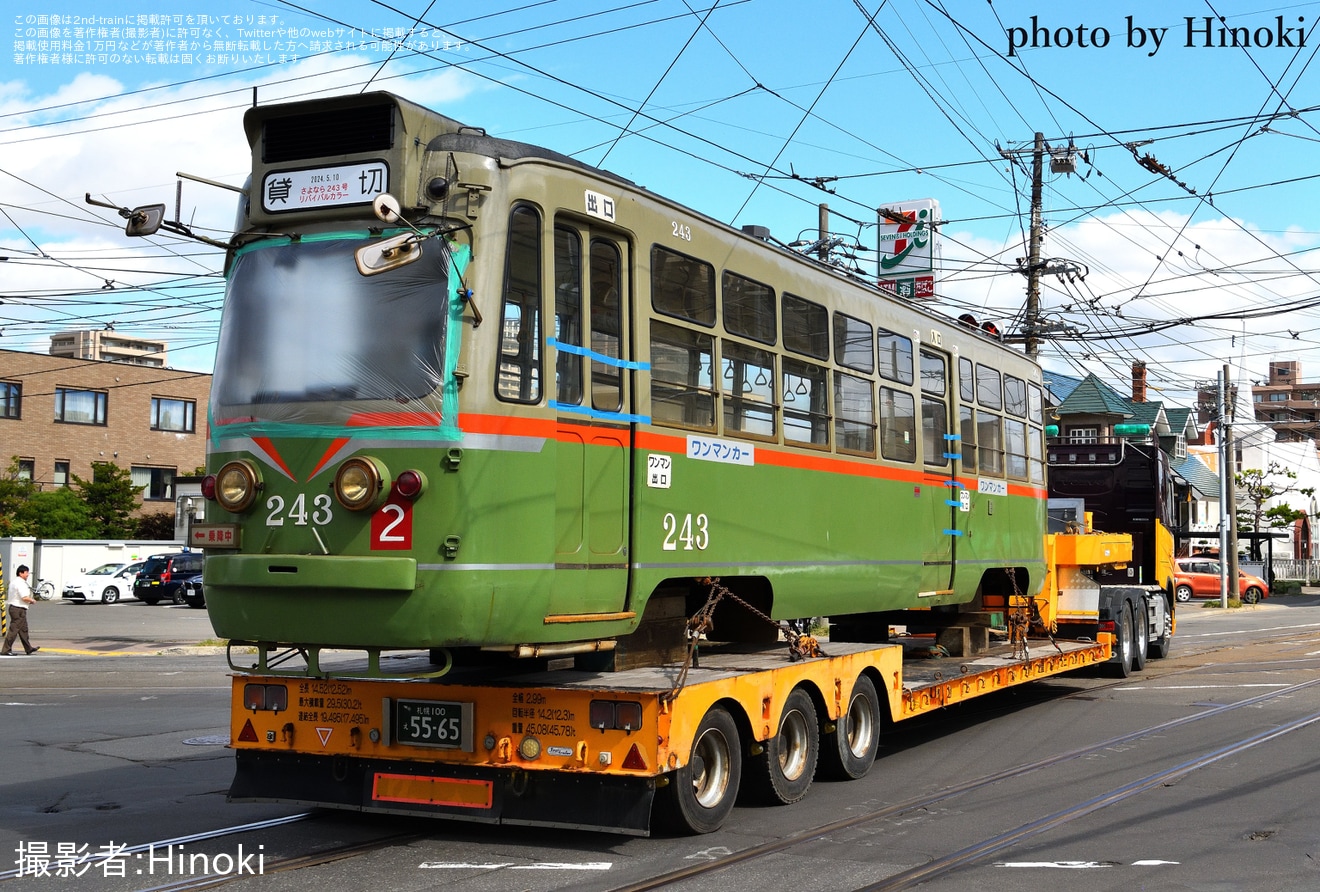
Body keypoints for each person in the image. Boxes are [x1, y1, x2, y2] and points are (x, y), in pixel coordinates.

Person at [1, 564, 40, 656]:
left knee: (23, 630)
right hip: (18, 609)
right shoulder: (20, 583)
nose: (28, 575)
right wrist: (32, 600)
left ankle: (28, 648)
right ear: (21, 573)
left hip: (16, 608)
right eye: (26, 573)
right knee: (14, 630)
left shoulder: (14, 582)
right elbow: (24, 597)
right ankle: (6, 650)